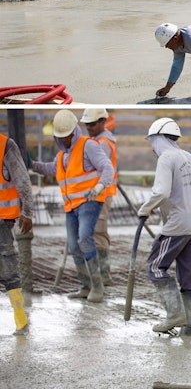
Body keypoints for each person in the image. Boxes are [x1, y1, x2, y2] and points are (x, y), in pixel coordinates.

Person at [137, 117, 191, 336]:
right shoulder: (189, 157)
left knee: (154, 266)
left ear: (159, 138)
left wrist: (145, 209)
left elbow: (161, 192)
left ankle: (174, 314)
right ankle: (190, 328)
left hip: (179, 224)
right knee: (188, 275)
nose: (152, 148)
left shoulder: (166, 158)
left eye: (152, 142)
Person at [31, 110, 114, 303]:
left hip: (90, 201)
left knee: (85, 239)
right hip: (71, 206)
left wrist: (100, 185)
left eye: (68, 136)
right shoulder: (62, 155)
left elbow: (107, 167)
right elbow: (51, 169)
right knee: (74, 246)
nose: (66, 140)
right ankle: (85, 286)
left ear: (74, 132)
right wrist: (32, 164)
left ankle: (97, 286)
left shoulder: (88, 146)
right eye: (61, 137)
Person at [1, 132, 34, 335]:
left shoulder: (5, 145)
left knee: (8, 268)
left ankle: (21, 320)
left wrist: (27, 212)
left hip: (2, 220)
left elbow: (23, 181)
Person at [81, 107, 117, 285]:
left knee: (98, 232)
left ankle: (104, 276)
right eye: (87, 124)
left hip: (102, 192)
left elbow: (102, 170)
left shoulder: (102, 143)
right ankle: (102, 274)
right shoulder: (96, 140)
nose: (89, 127)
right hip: (96, 192)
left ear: (103, 121)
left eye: (93, 124)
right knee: (96, 231)